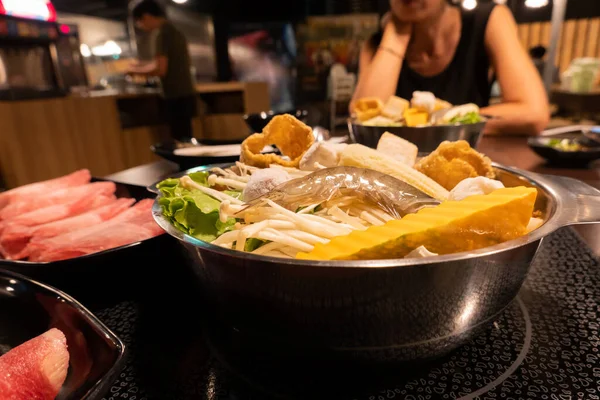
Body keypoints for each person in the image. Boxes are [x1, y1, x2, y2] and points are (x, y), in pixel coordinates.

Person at [351, 0, 550, 135]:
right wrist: (395, 37)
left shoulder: (488, 19)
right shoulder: (377, 43)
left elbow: (533, 113)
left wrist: (437, 123)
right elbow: (363, 120)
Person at [128, 0, 197, 143]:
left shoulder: (162, 34)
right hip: (185, 93)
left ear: (146, 16)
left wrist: (134, 71)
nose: (140, 26)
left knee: (181, 143)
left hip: (175, 95)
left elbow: (160, 69)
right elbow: (163, 63)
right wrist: (140, 66)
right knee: (186, 140)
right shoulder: (174, 31)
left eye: (139, 22)